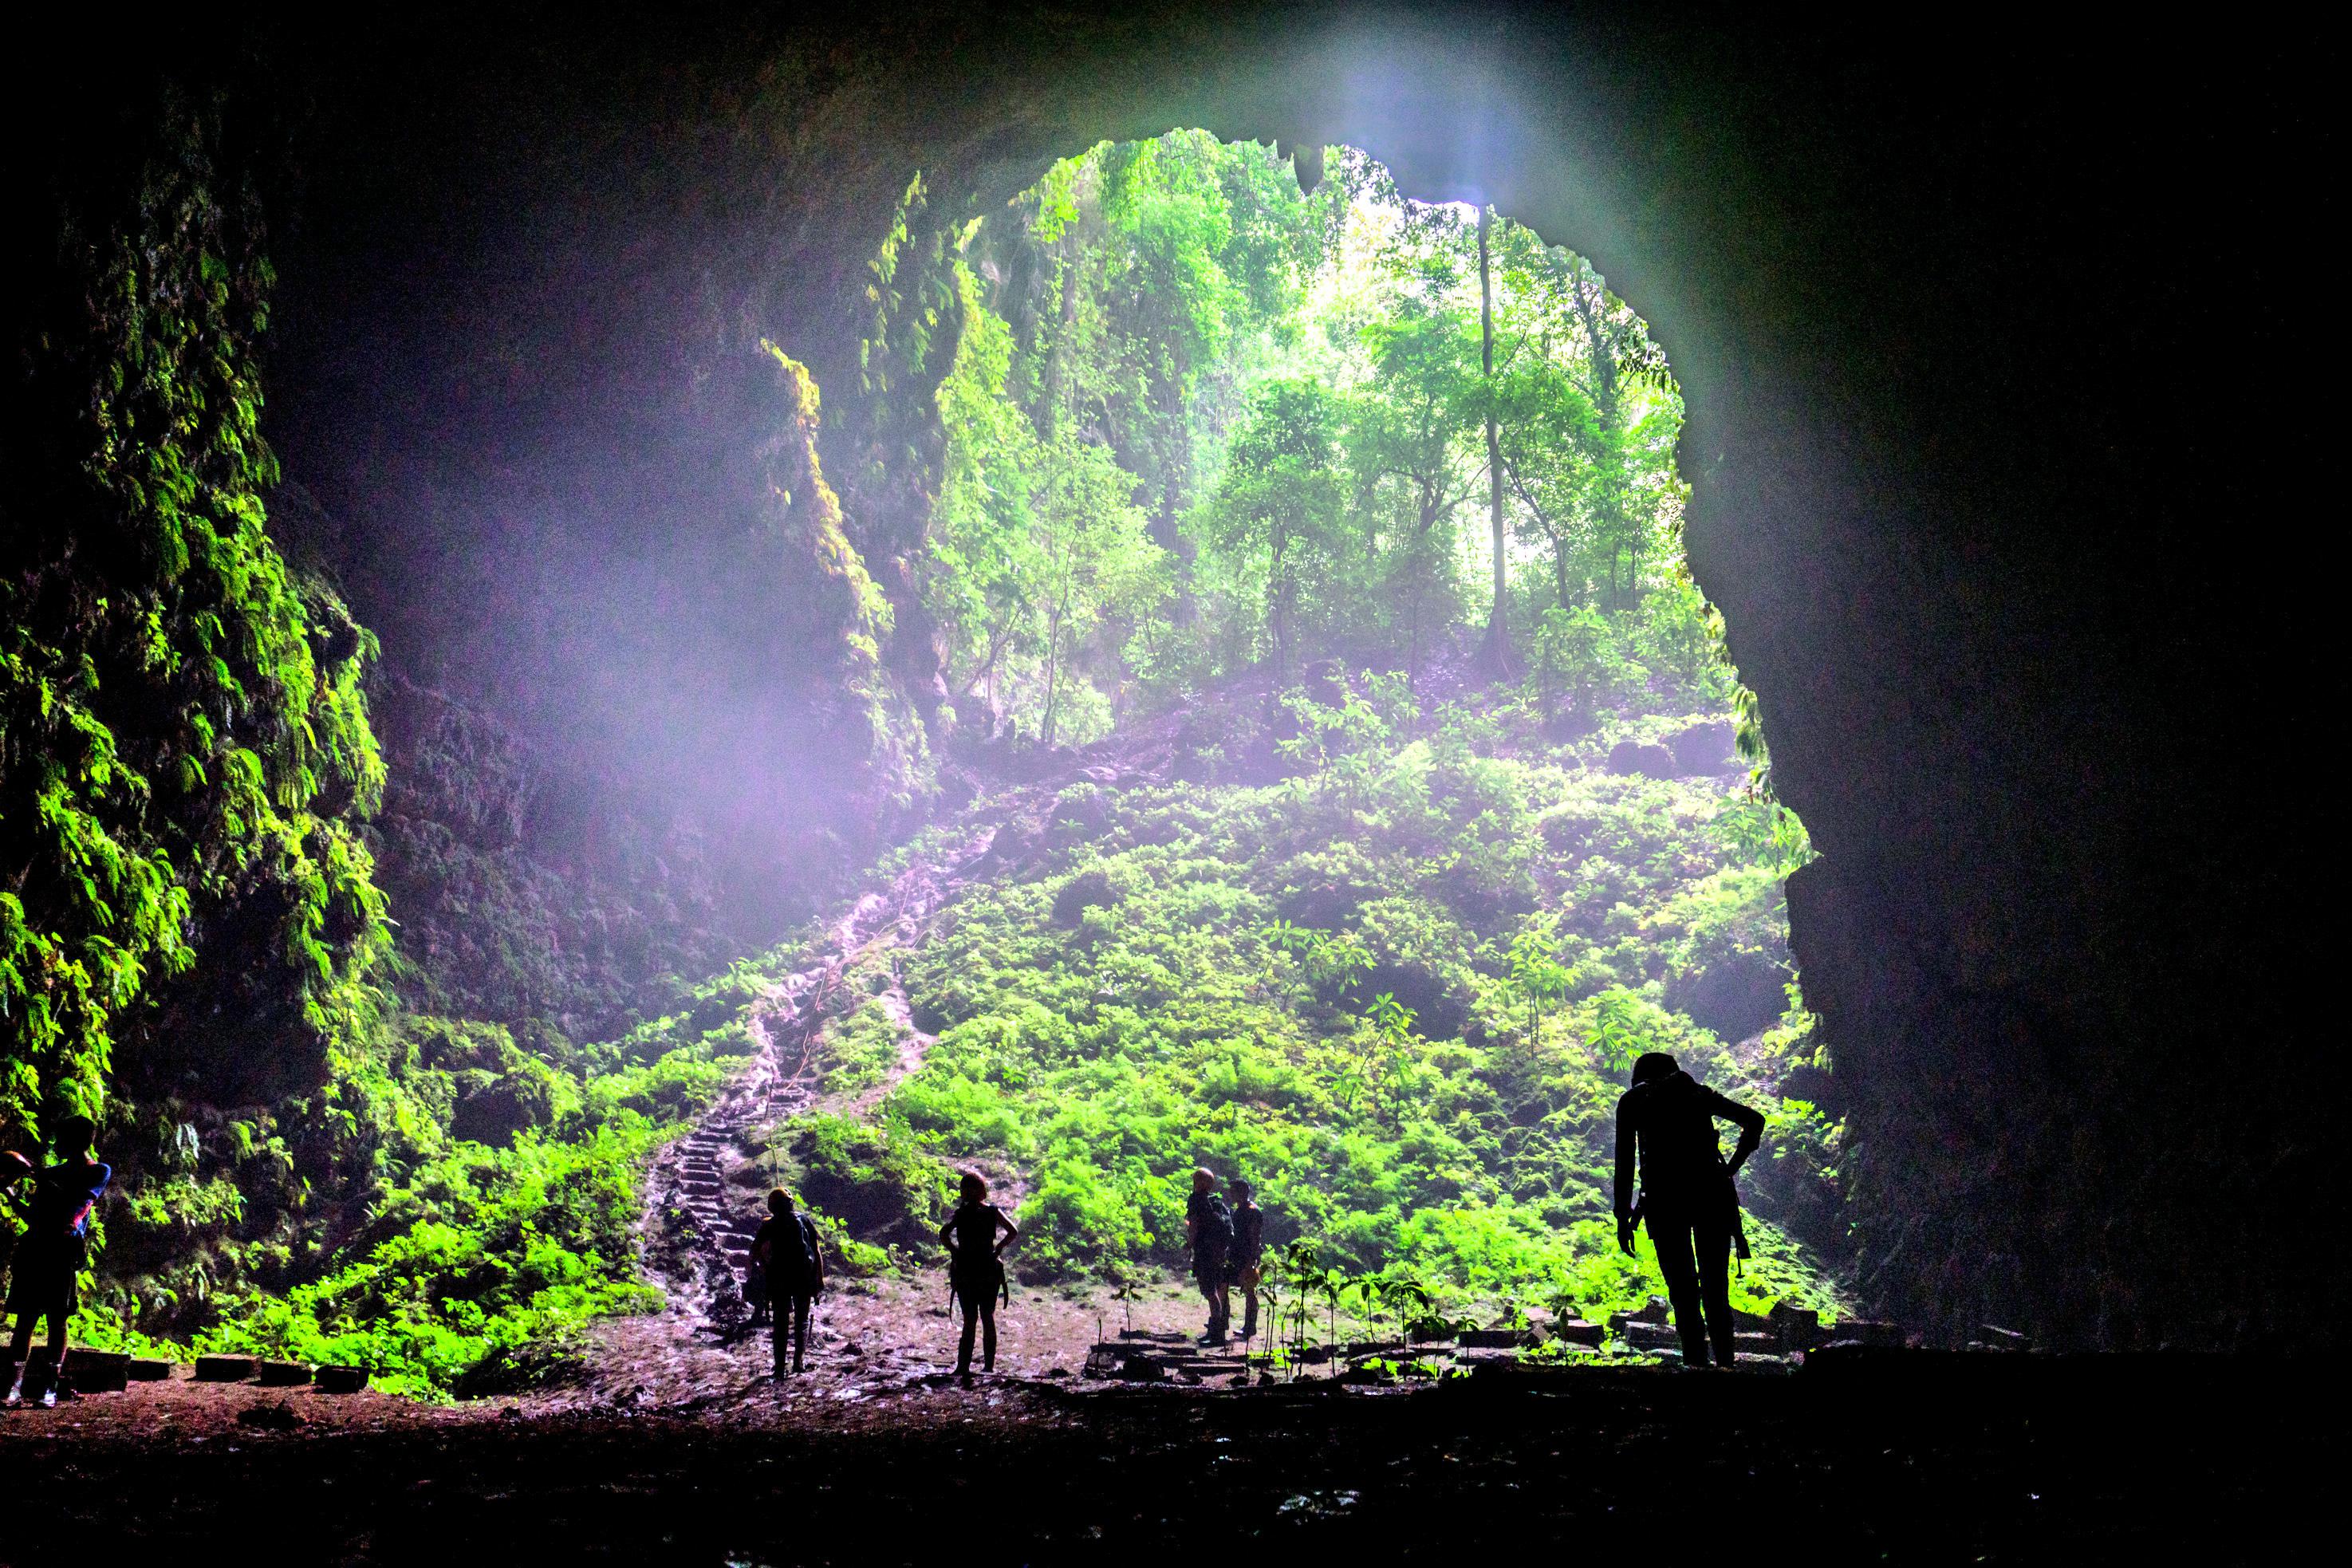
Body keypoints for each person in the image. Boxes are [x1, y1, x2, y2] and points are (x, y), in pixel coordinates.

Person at [1613, 1052, 1765, 1368]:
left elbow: (1625, 1163)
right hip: (1712, 1198)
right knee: (1715, 1290)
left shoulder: (1633, 1101)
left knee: (1683, 1292)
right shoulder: (1697, 1093)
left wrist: (1622, 1216)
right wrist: (1730, 1170)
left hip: (1664, 1204)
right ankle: (1726, 1365)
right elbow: (1754, 1120)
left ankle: (1696, 1367)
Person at [4, 1116, 111, 1408]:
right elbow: (32, 1218)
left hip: (63, 1252)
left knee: (57, 1320)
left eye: (61, 1138)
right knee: (25, 1320)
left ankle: (48, 1389)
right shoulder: (50, 1174)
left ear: (79, 1141)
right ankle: (13, 1389)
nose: (56, 1143)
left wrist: (38, 1176)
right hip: (36, 1250)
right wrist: (9, 1191)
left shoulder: (98, 1171)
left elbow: (81, 1205)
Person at [939, 1171, 1017, 1379]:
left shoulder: (961, 1214)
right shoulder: (992, 1212)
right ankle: (988, 1367)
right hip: (988, 1268)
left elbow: (943, 1234)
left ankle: (963, 1367)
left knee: (970, 1319)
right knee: (987, 1316)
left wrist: (956, 1253)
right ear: (980, 1191)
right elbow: (1013, 1231)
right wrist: (998, 1249)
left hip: (966, 1270)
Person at [750, 1188, 824, 1377]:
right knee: (802, 1320)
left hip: (779, 1279)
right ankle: (798, 1362)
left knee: (780, 1323)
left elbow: (754, 1253)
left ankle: (780, 1367)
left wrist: (763, 1267)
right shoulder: (804, 1221)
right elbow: (816, 1251)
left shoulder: (769, 1225)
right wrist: (818, 1280)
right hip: (803, 1278)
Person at [1184, 1168, 1234, 1345]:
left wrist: (1189, 1244)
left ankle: (1217, 1335)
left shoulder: (1196, 1200)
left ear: (1200, 1182)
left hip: (1205, 1253)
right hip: (1218, 1253)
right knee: (1214, 1291)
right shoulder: (1216, 1202)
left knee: (1210, 1292)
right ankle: (1215, 1332)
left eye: (1196, 1179)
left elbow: (1194, 1225)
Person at [1227, 1176, 1265, 1341]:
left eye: (1233, 1191)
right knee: (1242, 1288)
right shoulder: (1240, 1209)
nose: (1230, 1194)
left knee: (1249, 1290)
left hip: (1247, 1256)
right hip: (1237, 1255)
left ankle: (1250, 1326)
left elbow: (1255, 1236)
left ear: (1241, 1192)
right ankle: (1246, 1326)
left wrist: (1252, 1259)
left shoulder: (1252, 1211)